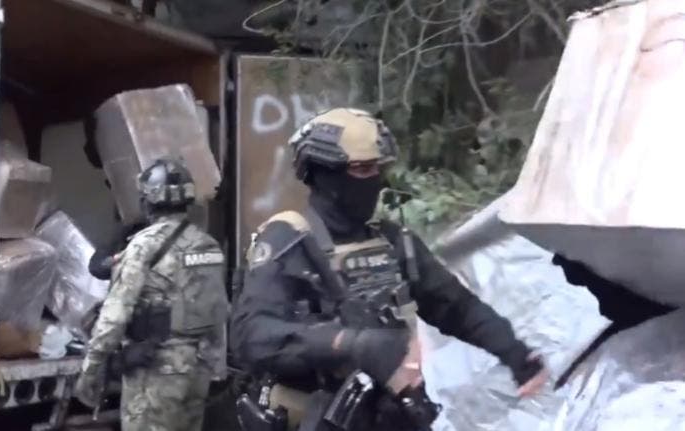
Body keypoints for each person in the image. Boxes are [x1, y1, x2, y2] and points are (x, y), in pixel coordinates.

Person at [230, 108, 549, 431]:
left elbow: (455, 306)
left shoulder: (392, 241)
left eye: (379, 168)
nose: (376, 179)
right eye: (363, 169)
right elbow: (252, 336)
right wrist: (349, 344)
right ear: (324, 173)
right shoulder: (290, 240)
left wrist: (514, 353)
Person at [74, 158, 229, 431]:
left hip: (157, 372)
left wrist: (91, 369)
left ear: (147, 202)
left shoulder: (143, 246)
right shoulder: (209, 246)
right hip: (198, 370)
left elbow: (114, 316)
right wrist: (217, 366)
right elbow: (218, 311)